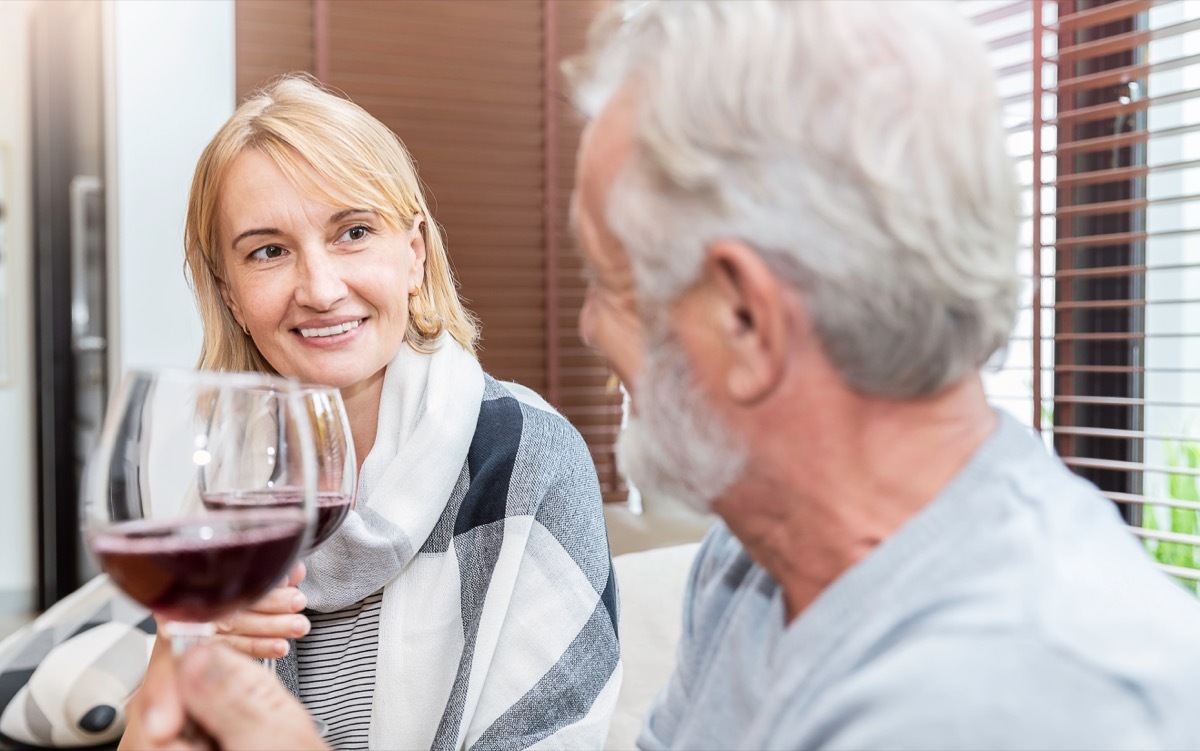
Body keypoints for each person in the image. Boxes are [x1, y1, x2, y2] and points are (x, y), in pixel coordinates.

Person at [125, 1, 1200, 749]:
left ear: (745, 319)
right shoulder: (752, 567)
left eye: (611, 282)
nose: (589, 332)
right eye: (265, 250)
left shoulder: (1031, 692)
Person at [119, 74, 620, 751]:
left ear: (413, 254)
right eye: (268, 251)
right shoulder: (217, 479)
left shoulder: (527, 458)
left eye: (353, 231)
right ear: (231, 294)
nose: (321, 289)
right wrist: (171, 667)